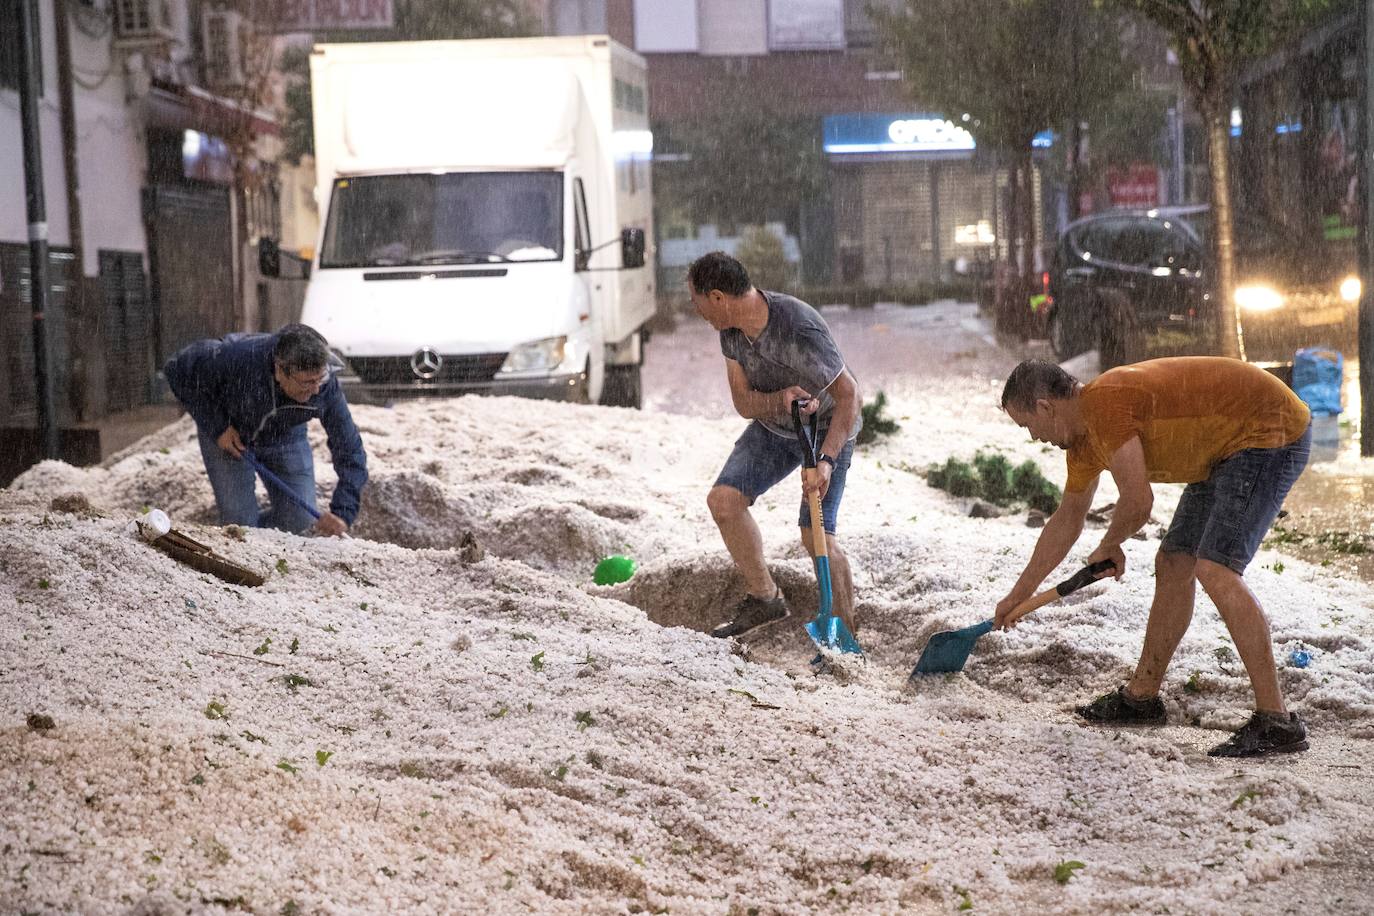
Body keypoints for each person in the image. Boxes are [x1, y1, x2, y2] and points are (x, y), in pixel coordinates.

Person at [995, 357, 1312, 758]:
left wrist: (1110, 544)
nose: (1034, 437)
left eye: (1027, 426)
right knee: (1174, 561)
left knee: (1215, 567)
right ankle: (1141, 698)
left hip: (1267, 429)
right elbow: (1067, 520)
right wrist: (1018, 597)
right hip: (1220, 448)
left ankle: (1276, 721)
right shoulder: (1083, 442)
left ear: (1044, 406)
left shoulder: (1104, 404)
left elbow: (1138, 501)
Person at [687, 251, 863, 641]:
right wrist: (779, 399)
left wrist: (828, 460)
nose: (696, 311)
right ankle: (765, 598)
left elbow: (850, 396)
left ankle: (845, 636)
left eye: (697, 301)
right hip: (774, 430)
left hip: (827, 429)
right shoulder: (730, 332)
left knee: (816, 535)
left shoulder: (797, 326)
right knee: (724, 503)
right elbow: (743, 403)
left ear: (717, 297)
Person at [164, 324, 368, 537]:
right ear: (280, 370)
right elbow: (176, 370)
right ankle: (237, 534)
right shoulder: (236, 357)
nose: (316, 389)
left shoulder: (325, 387)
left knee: (300, 524)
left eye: (320, 378)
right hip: (229, 434)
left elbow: (350, 448)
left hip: (286, 435)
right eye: (307, 382)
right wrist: (218, 426)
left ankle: (263, 536)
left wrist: (344, 511)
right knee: (240, 526)